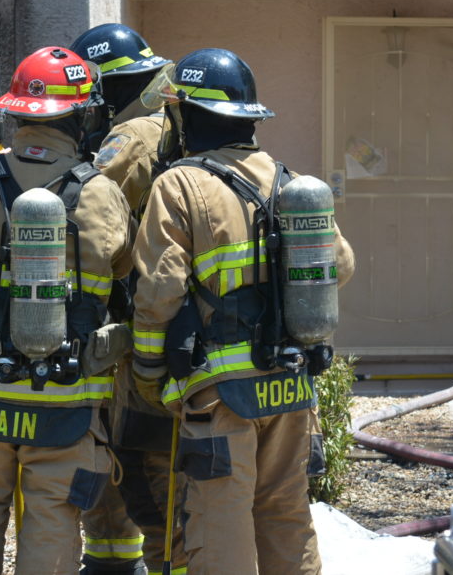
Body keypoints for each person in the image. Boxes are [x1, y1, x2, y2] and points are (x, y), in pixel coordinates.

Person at [130, 47, 355, 574]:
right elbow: (340, 265)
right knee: (286, 516)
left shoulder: (179, 184)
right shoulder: (288, 182)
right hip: (290, 386)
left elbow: (159, 291)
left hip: (220, 394)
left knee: (220, 524)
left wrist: (147, 372)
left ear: (191, 115)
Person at [0, 46, 134, 574]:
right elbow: (126, 264)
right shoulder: (101, 192)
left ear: (16, 113)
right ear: (83, 117)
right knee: (54, 519)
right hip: (65, 396)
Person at [70, 23, 186, 575]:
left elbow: (82, 201)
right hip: (166, 318)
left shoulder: (131, 136)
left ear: (105, 87)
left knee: (139, 467)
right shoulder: (170, 123)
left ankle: (127, 561)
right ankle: (115, 559)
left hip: (137, 321)